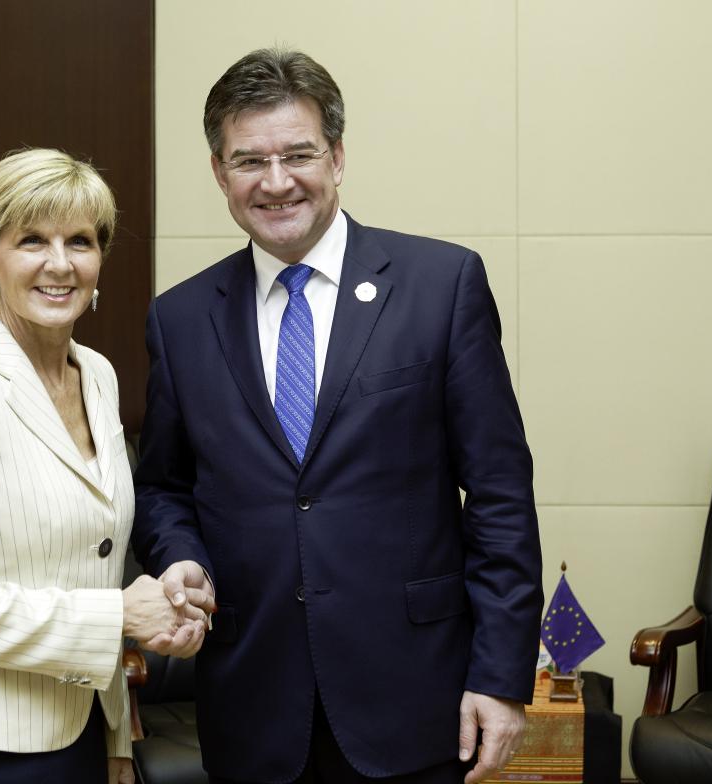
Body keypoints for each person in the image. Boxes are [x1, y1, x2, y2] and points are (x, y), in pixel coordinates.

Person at [132, 49, 543, 784]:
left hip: (417, 698)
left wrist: (503, 677)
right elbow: (163, 487)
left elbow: (501, 494)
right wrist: (181, 556)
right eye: (249, 160)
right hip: (252, 701)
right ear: (220, 173)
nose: (277, 181)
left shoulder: (440, 285)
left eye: (298, 154)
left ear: (339, 157)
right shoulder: (180, 318)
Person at [0, 148, 207, 784]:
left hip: (84, 727)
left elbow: (92, 557)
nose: (61, 264)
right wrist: (122, 616)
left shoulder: (97, 374)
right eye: (32, 240)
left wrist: (117, 730)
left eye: (82, 241)